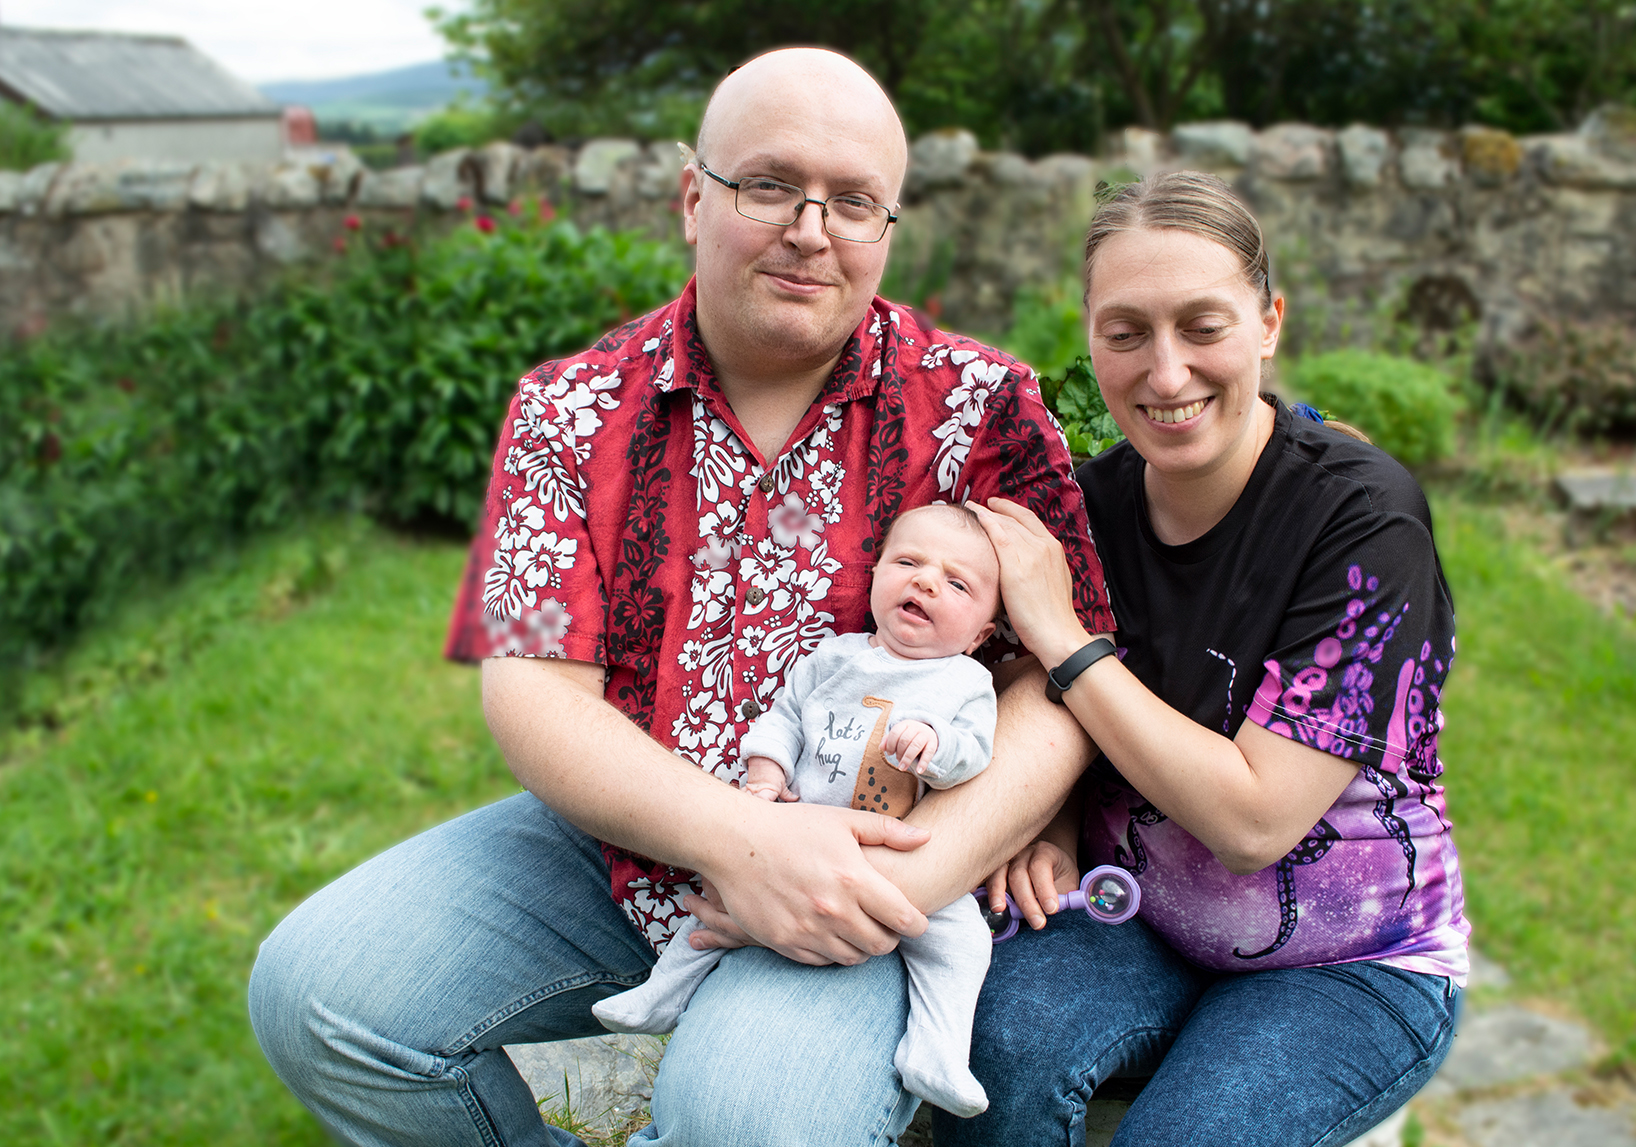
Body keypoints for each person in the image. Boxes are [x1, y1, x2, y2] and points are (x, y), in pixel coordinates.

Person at [248, 47, 1116, 1147]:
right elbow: (535, 689)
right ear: (692, 197)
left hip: (877, 862)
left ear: (886, 229)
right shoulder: (568, 411)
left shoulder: (979, 404)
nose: (810, 229)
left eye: (852, 202)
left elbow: (1068, 661)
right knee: (317, 997)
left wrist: (901, 875)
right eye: (769, 185)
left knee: (746, 1118)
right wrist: (745, 845)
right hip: (622, 839)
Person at [951, 170, 1469, 1146]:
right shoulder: (1087, 509)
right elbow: (1035, 696)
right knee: (992, 1055)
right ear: (1090, 334)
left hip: (1351, 962)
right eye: (1126, 332)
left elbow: (1253, 819)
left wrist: (1066, 635)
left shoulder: (1360, 521)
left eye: (1203, 325)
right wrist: (1053, 818)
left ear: (1268, 321)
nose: (1165, 372)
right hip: (1133, 912)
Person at [594, 502, 1004, 1118]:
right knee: (719, 904)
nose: (925, 582)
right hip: (793, 832)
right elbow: (785, 720)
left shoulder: (964, 683)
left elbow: (974, 752)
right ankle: (660, 993)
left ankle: (937, 1049)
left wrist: (935, 747)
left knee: (962, 942)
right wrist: (765, 775)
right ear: (874, 577)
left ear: (979, 634)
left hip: (896, 854)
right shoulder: (833, 658)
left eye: (956, 583)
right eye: (908, 562)